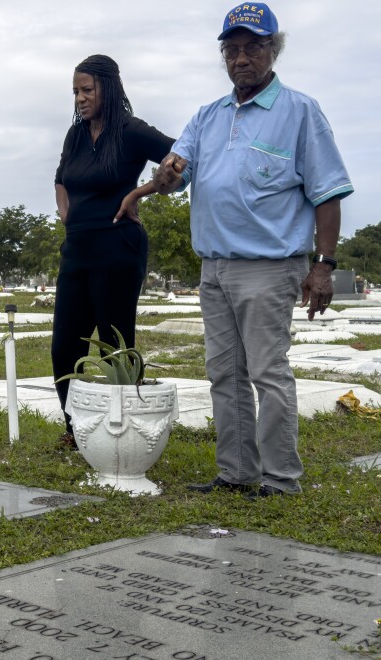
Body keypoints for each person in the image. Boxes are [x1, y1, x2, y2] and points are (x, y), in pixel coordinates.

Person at [153, 3, 353, 497]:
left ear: (273, 50)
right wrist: (168, 176)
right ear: (224, 57)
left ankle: (281, 479)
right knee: (224, 373)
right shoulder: (208, 115)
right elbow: (175, 174)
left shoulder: (300, 111)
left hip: (269, 266)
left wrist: (324, 267)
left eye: (253, 48)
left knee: (267, 372)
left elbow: (326, 193)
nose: (242, 59)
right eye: (232, 50)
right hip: (214, 266)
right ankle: (236, 472)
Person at [51, 54, 174, 449]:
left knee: (114, 344)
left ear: (109, 88)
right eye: (75, 92)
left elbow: (181, 159)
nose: (80, 99)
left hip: (118, 245)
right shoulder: (75, 135)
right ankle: (77, 429)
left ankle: (127, 428)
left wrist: (140, 192)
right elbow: (61, 179)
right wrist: (67, 217)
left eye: (87, 90)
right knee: (65, 344)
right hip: (78, 248)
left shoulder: (131, 131)